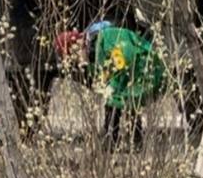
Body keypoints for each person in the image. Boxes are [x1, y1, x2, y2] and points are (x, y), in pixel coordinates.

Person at [55, 19, 167, 148]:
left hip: (146, 66)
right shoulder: (96, 47)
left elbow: (124, 58)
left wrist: (112, 86)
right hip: (137, 70)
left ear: (75, 45)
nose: (76, 61)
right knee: (125, 100)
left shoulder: (105, 38)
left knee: (116, 99)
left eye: (72, 56)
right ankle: (132, 142)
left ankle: (111, 142)